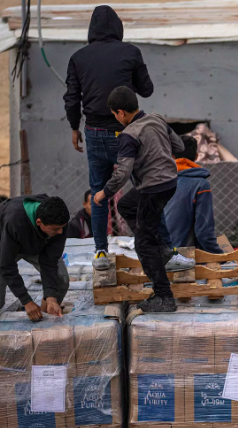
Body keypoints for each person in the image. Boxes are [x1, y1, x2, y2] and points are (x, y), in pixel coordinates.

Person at [63, 5, 154, 265]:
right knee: (145, 188)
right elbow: (146, 90)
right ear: (118, 27)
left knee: (98, 192)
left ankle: (101, 252)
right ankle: (151, 245)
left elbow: (71, 98)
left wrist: (74, 127)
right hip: (127, 133)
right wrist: (126, 79)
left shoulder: (78, 57)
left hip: (93, 132)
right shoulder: (130, 52)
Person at [93, 86, 184, 313]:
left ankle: (164, 296)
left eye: (115, 114)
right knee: (127, 205)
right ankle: (159, 247)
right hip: (170, 182)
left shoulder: (129, 135)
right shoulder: (157, 119)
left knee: (143, 244)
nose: (116, 118)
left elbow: (122, 173)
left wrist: (103, 193)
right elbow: (180, 147)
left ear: (121, 112)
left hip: (152, 189)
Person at [0, 195, 69, 320]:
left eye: (62, 227)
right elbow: (6, 265)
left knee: (60, 279)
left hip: (35, 244)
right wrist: (26, 301)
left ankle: (43, 315)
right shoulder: (14, 221)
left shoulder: (58, 221)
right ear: (39, 222)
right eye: (56, 229)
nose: (60, 232)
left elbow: (50, 261)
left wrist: (51, 297)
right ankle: (32, 309)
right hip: (2, 242)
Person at [163, 135, 222, 254]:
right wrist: (223, 257)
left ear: (171, 157)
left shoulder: (155, 182)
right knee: (224, 246)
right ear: (196, 156)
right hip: (183, 256)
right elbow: (204, 233)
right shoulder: (200, 184)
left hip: (156, 254)